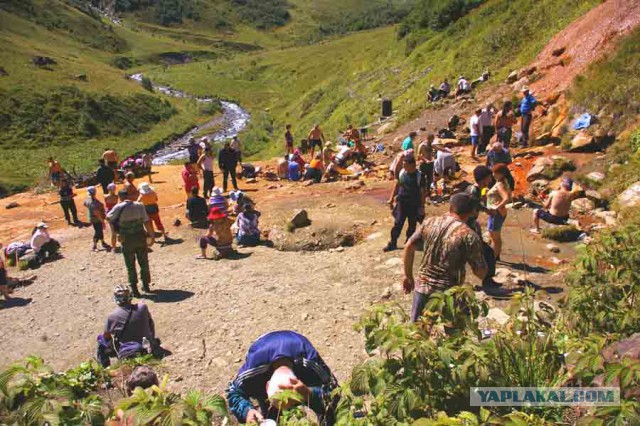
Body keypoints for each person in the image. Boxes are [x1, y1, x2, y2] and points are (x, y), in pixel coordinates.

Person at [402, 193, 488, 322]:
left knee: (418, 332)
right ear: (471, 212)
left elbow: (409, 246)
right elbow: (480, 273)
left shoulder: (429, 222)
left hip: (423, 287)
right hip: (449, 293)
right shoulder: (469, 235)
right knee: (455, 335)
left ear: (451, 206)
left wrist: (408, 276)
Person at [226, 330, 339, 425]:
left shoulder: (310, 364)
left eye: (294, 404)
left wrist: (310, 394)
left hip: (296, 347)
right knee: (270, 415)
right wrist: (247, 411)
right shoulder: (253, 373)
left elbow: (335, 392)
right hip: (264, 351)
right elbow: (234, 392)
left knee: (330, 414)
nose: (290, 413)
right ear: (267, 386)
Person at [107, 190, 154, 296]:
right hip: (140, 236)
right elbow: (146, 221)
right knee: (144, 262)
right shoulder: (139, 205)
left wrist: (116, 230)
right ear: (128, 196)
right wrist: (151, 235)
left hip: (126, 239)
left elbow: (109, 217)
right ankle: (146, 285)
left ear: (120, 197)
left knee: (130, 265)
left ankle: (134, 289)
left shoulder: (118, 207)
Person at [97, 285, 158, 367]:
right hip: (148, 347)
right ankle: (152, 341)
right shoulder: (142, 307)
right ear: (130, 296)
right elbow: (150, 322)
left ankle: (104, 367)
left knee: (101, 339)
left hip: (128, 352)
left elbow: (106, 336)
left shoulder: (112, 317)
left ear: (116, 299)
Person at [383, 154, 424, 252]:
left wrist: (422, 207)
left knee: (412, 225)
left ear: (412, 165)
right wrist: (391, 199)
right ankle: (392, 243)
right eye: (403, 164)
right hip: (402, 203)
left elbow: (423, 192)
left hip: (413, 205)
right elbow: (397, 185)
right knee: (397, 223)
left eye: (405, 165)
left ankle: (408, 243)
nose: (404, 166)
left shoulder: (419, 176)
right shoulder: (402, 172)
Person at [486, 164, 512, 260]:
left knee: (495, 237)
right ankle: (496, 255)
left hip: (496, 213)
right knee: (495, 235)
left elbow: (506, 198)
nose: (493, 175)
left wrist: (497, 208)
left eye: (495, 173)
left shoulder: (500, 184)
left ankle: (494, 257)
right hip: (500, 213)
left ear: (501, 174)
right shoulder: (504, 182)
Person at [84, 186, 110, 252]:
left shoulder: (88, 199)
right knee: (98, 231)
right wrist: (102, 221)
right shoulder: (94, 202)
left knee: (99, 230)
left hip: (92, 218)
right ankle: (94, 246)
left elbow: (85, 204)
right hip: (97, 219)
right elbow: (97, 213)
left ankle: (103, 242)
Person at [417, 134, 435, 199]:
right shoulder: (422, 145)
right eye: (432, 139)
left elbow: (433, 152)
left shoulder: (431, 145)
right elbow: (418, 155)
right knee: (422, 179)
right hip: (423, 164)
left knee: (429, 178)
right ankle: (422, 193)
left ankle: (428, 192)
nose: (432, 141)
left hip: (430, 163)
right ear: (428, 138)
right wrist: (425, 160)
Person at [105, 183, 119, 251]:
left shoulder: (106, 197)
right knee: (118, 230)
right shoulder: (116, 196)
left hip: (109, 214)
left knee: (113, 232)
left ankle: (114, 247)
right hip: (115, 213)